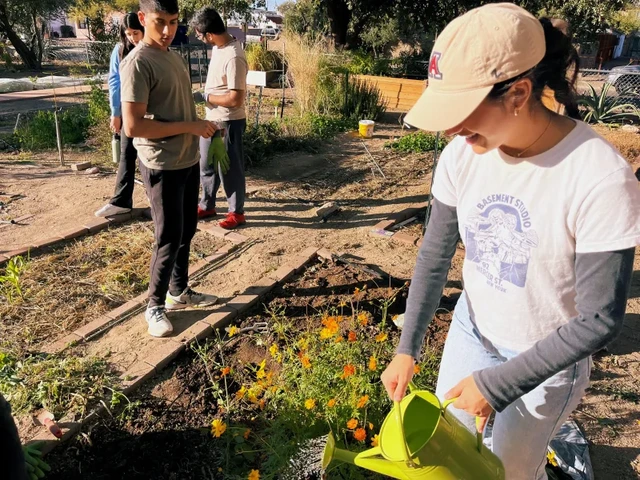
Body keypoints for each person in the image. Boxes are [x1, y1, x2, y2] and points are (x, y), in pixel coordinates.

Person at [380, 4, 639, 480]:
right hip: (472, 332)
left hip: (548, 360)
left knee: (509, 470)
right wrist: (407, 347)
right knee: (449, 454)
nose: (451, 129)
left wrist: (498, 386)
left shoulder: (598, 177)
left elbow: (600, 320)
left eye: (460, 113)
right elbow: (434, 256)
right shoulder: (462, 156)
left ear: (519, 92)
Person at [120, 0, 219, 338]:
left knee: (187, 229)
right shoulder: (137, 63)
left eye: (174, 22)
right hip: (162, 163)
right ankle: (154, 305)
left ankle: (179, 291)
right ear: (143, 18)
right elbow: (133, 127)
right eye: (160, 22)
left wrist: (199, 126)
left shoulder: (171, 54)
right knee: (168, 237)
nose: (167, 31)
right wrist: (191, 128)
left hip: (187, 158)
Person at [190, 7, 248, 230]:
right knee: (207, 165)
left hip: (228, 122)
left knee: (228, 168)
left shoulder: (234, 56)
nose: (199, 39)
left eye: (199, 35)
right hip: (211, 119)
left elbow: (235, 99)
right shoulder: (219, 48)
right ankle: (207, 204)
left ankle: (237, 213)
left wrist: (206, 96)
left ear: (209, 33)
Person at [95, 13, 144, 218]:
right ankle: (122, 200)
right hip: (127, 111)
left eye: (136, 33)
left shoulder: (153, 49)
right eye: (128, 33)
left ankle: (161, 194)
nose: (133, 37)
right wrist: (115, 113)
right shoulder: (120, 50)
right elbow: (114, 82)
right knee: (127, 154)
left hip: (151, 112)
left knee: (152, 156)